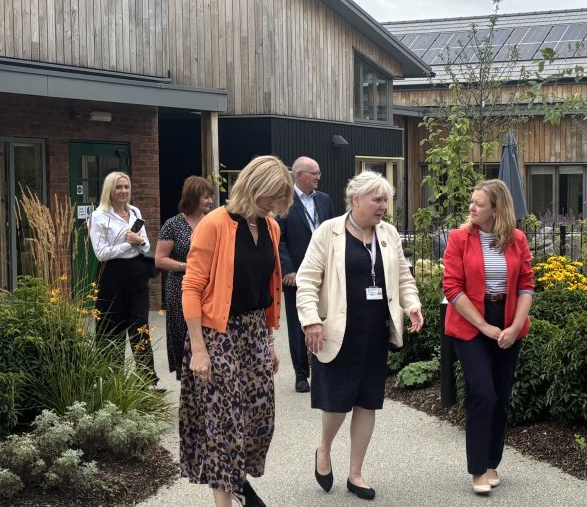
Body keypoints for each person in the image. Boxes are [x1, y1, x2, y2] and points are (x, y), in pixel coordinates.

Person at [296, 171, 424, 501]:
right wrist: (311, 321)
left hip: (375, 333)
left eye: (386, 200)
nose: (384, 206)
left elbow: (403, 278)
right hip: (339, 333)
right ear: (356, 200)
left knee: (368, 403)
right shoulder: (330, 232)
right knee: (337, 403)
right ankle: (323, 449)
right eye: (377, 200)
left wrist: (412, 305)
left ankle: (356, 472)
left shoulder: (389, 234)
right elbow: (307, 281)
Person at [179, 156, 292, 507]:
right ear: (252, 186)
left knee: (260, 420)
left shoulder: (271, 228)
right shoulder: (215, 224)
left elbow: (266, 288)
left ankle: (239, 481)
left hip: (255, 332)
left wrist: (269, 341)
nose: (273, 205)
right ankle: (227, 498)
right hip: (218, 335)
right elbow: (191, 287)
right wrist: (199, 348)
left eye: (278, 199)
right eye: (269, 196)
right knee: (224, 426)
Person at [441, 179, 535, 495]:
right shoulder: (458, 238)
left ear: (496, 209)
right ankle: (478, 469)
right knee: (483, 393)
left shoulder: (517, 239)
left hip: (508, 322)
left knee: (502, 398)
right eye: (472, 202)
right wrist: (484, 326)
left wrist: (513, 327)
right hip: (471, 324)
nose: (472, 207)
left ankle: (492, 462)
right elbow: (452, 288)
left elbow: (525, 286)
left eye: (479, 204)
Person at [88, 171, 154, 372]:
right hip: (112, 276)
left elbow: (145, 243)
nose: (124, 191)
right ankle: (110, 378)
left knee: (140, 325)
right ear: (109, 190)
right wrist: (128, 244)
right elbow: (101, 253)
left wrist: (140, 242)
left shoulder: (134, 211)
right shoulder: (99, 216)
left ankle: (148, 379)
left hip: (137, 273)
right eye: (119, 187)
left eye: (126, 187)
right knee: (111, 329)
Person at [278, 157, 335, 393]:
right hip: (297, 275)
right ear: (299, 174)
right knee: (298, 324)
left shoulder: (324, 200)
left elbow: (334, 232)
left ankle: (326, 369)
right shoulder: (284, 201)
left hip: (325, 272)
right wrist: (288, 269)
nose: (318, 177)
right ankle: (301, 374)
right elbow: (278, 238)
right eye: (315, 173)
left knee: (326, 320)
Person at [154, 176, 215, 380]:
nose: (210, 201)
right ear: (193, 197)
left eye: (210, 197)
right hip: (180, 288)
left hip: (209, 288)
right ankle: (187, 384)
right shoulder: (173, 224)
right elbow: (160, 260)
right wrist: (187, 266)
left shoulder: (213, 222)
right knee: (184, 336)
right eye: (206, 197)